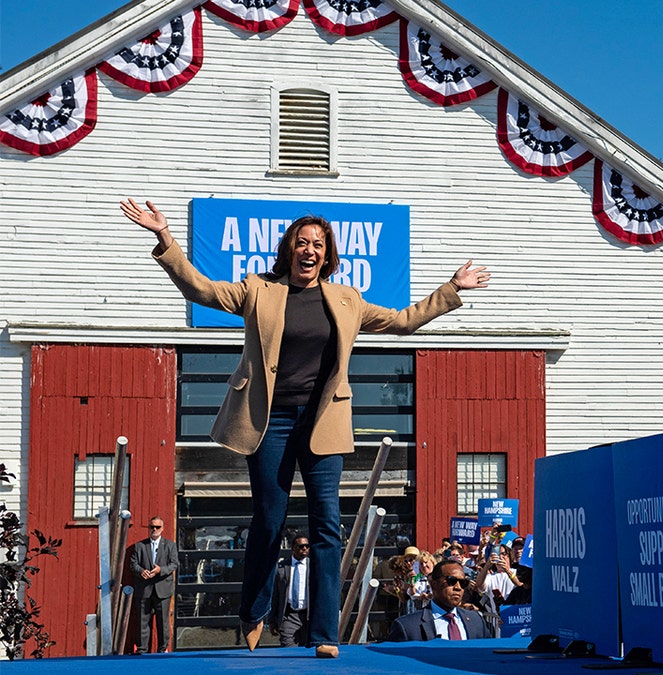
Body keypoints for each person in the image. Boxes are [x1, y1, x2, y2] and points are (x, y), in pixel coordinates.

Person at [121, 199, 489, 658]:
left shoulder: (346, 300)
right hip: (269, 421)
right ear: (289, 249)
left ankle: (323, 633)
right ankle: (254, 612)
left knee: (327, 528)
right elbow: (202, 291)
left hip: (323, 423)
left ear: (328, 254)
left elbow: (402, 322)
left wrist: (452, 288)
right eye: (302, 242)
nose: (309, 249)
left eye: (318, 243)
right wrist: (166, 239)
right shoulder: (260, 290)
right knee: (269, 520)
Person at [385, 560, 491, 641]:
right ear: (433, 584)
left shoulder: (476, 621)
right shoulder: (407, 627)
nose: (458, 587)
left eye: (463, 583)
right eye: (451, 581)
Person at [130, 516, 178, 653]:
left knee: (163, 622)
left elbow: (174, 564)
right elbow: (133, 564)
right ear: (148, 528)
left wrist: (160, 570)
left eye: (157, 527)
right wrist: (141, 571)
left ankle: (163, 649)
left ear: (162, 529)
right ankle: (142, 649)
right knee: (142, 622)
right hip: (144, 589)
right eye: (152, 527)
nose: (154, 529)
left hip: (162, 589)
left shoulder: (170, 545)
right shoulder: (139, 546)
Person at [270, 535, 311, 647]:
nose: (305, 548)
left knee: (308, 652)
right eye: (301, 546)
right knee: (288, 649)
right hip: (289, 616)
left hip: (309, 617)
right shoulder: (282, 567)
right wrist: (272, 620)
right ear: (293, 548)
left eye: (307, 546)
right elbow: (275, 595)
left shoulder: (314, 567)